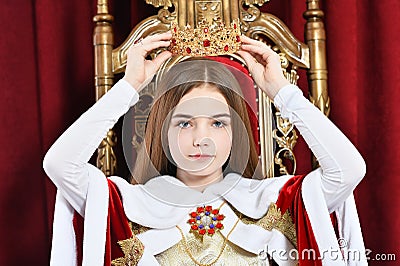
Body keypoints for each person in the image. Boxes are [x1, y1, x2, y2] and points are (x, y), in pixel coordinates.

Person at [43, 31, 367, 265]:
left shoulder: (273, 203)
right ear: (162, 132)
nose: (202, 139)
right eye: (184, 123)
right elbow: (59, 164)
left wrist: (282, 91)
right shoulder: (129, 207)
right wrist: (129, 87)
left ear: (235, 133)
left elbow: (349, 170)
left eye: (218, 123)